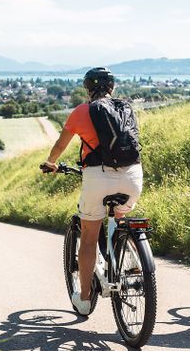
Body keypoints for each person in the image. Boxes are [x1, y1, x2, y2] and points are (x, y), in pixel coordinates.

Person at [42, 67, 143, 315]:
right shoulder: (124, 108)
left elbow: (60, 144)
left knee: (88, 237)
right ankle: (123, 260)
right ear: (112, 87)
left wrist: (51, 162)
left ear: (87, 89)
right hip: (133, 177)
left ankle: (85, 299)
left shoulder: (81, 111)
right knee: (117, 219)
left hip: (98, 177)